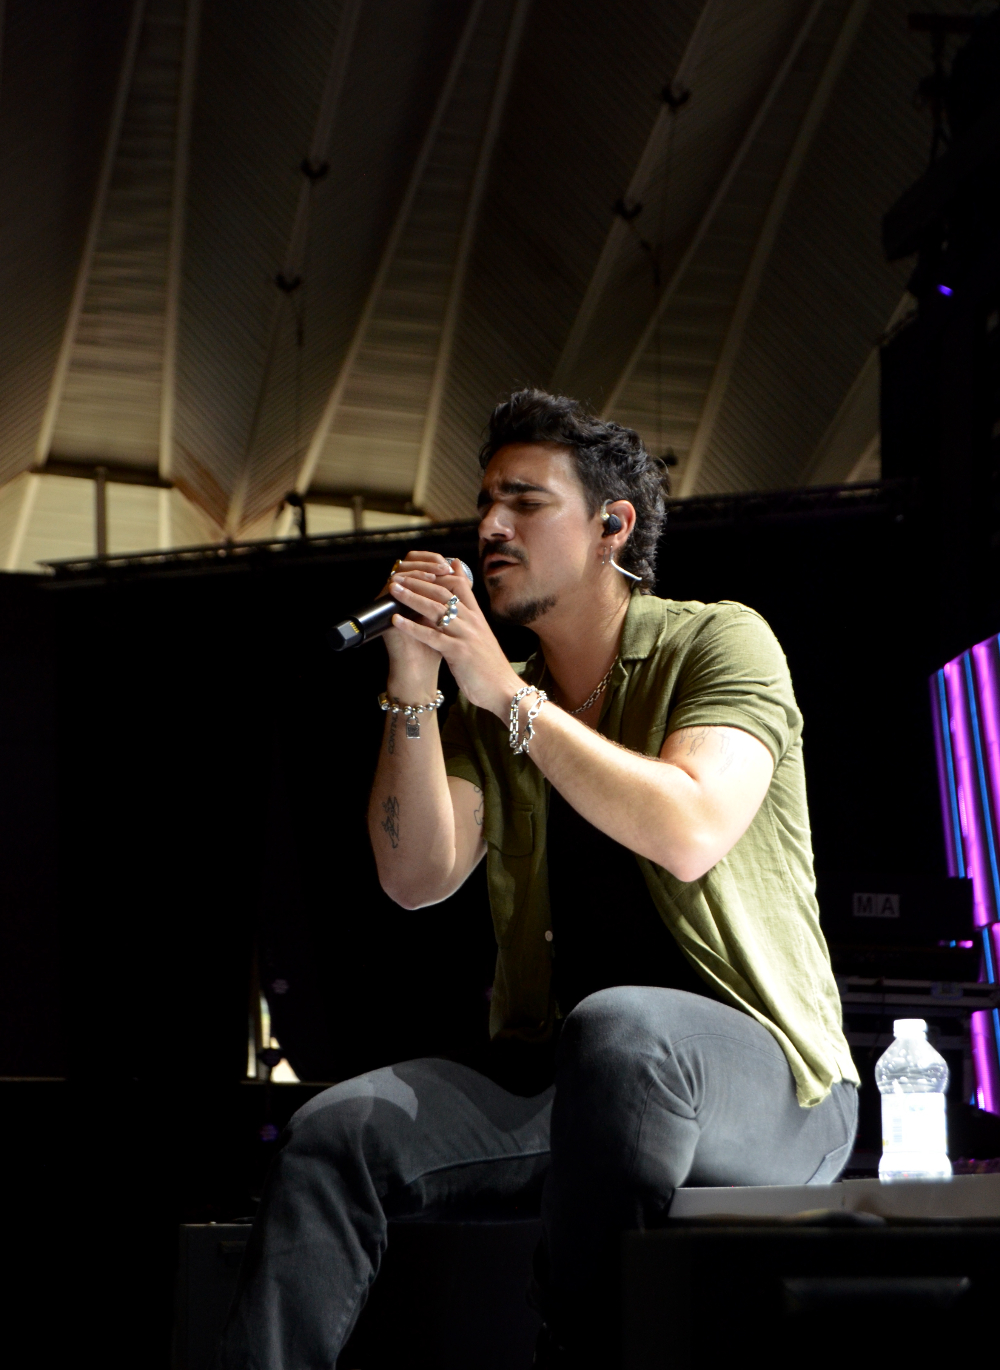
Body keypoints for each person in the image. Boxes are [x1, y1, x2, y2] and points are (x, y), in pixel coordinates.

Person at [221, 389, 858, 1369]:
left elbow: (688, 829)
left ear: (612, 526)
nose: (489, 526)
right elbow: (415, 875)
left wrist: (507, 696)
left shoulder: (717, 642)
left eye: (524, 502)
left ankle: (577, 1351)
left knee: (622, 1031)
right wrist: (414, 686)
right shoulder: (494, 702)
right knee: (332, 1131)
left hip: (770, 1083)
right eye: (485, 502)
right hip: (576, 1079)